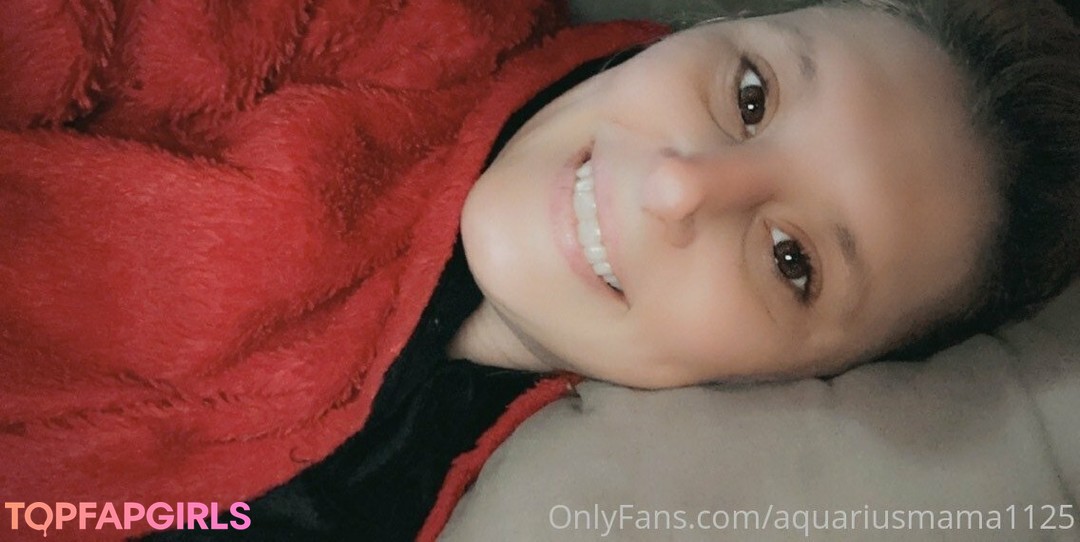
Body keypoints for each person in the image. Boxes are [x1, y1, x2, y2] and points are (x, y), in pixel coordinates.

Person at [1, 0, 1077, 541]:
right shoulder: (400, 29)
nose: (680, 187)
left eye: (791, 260)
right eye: (749, 94)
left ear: (815, 380)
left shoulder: (511, 489)